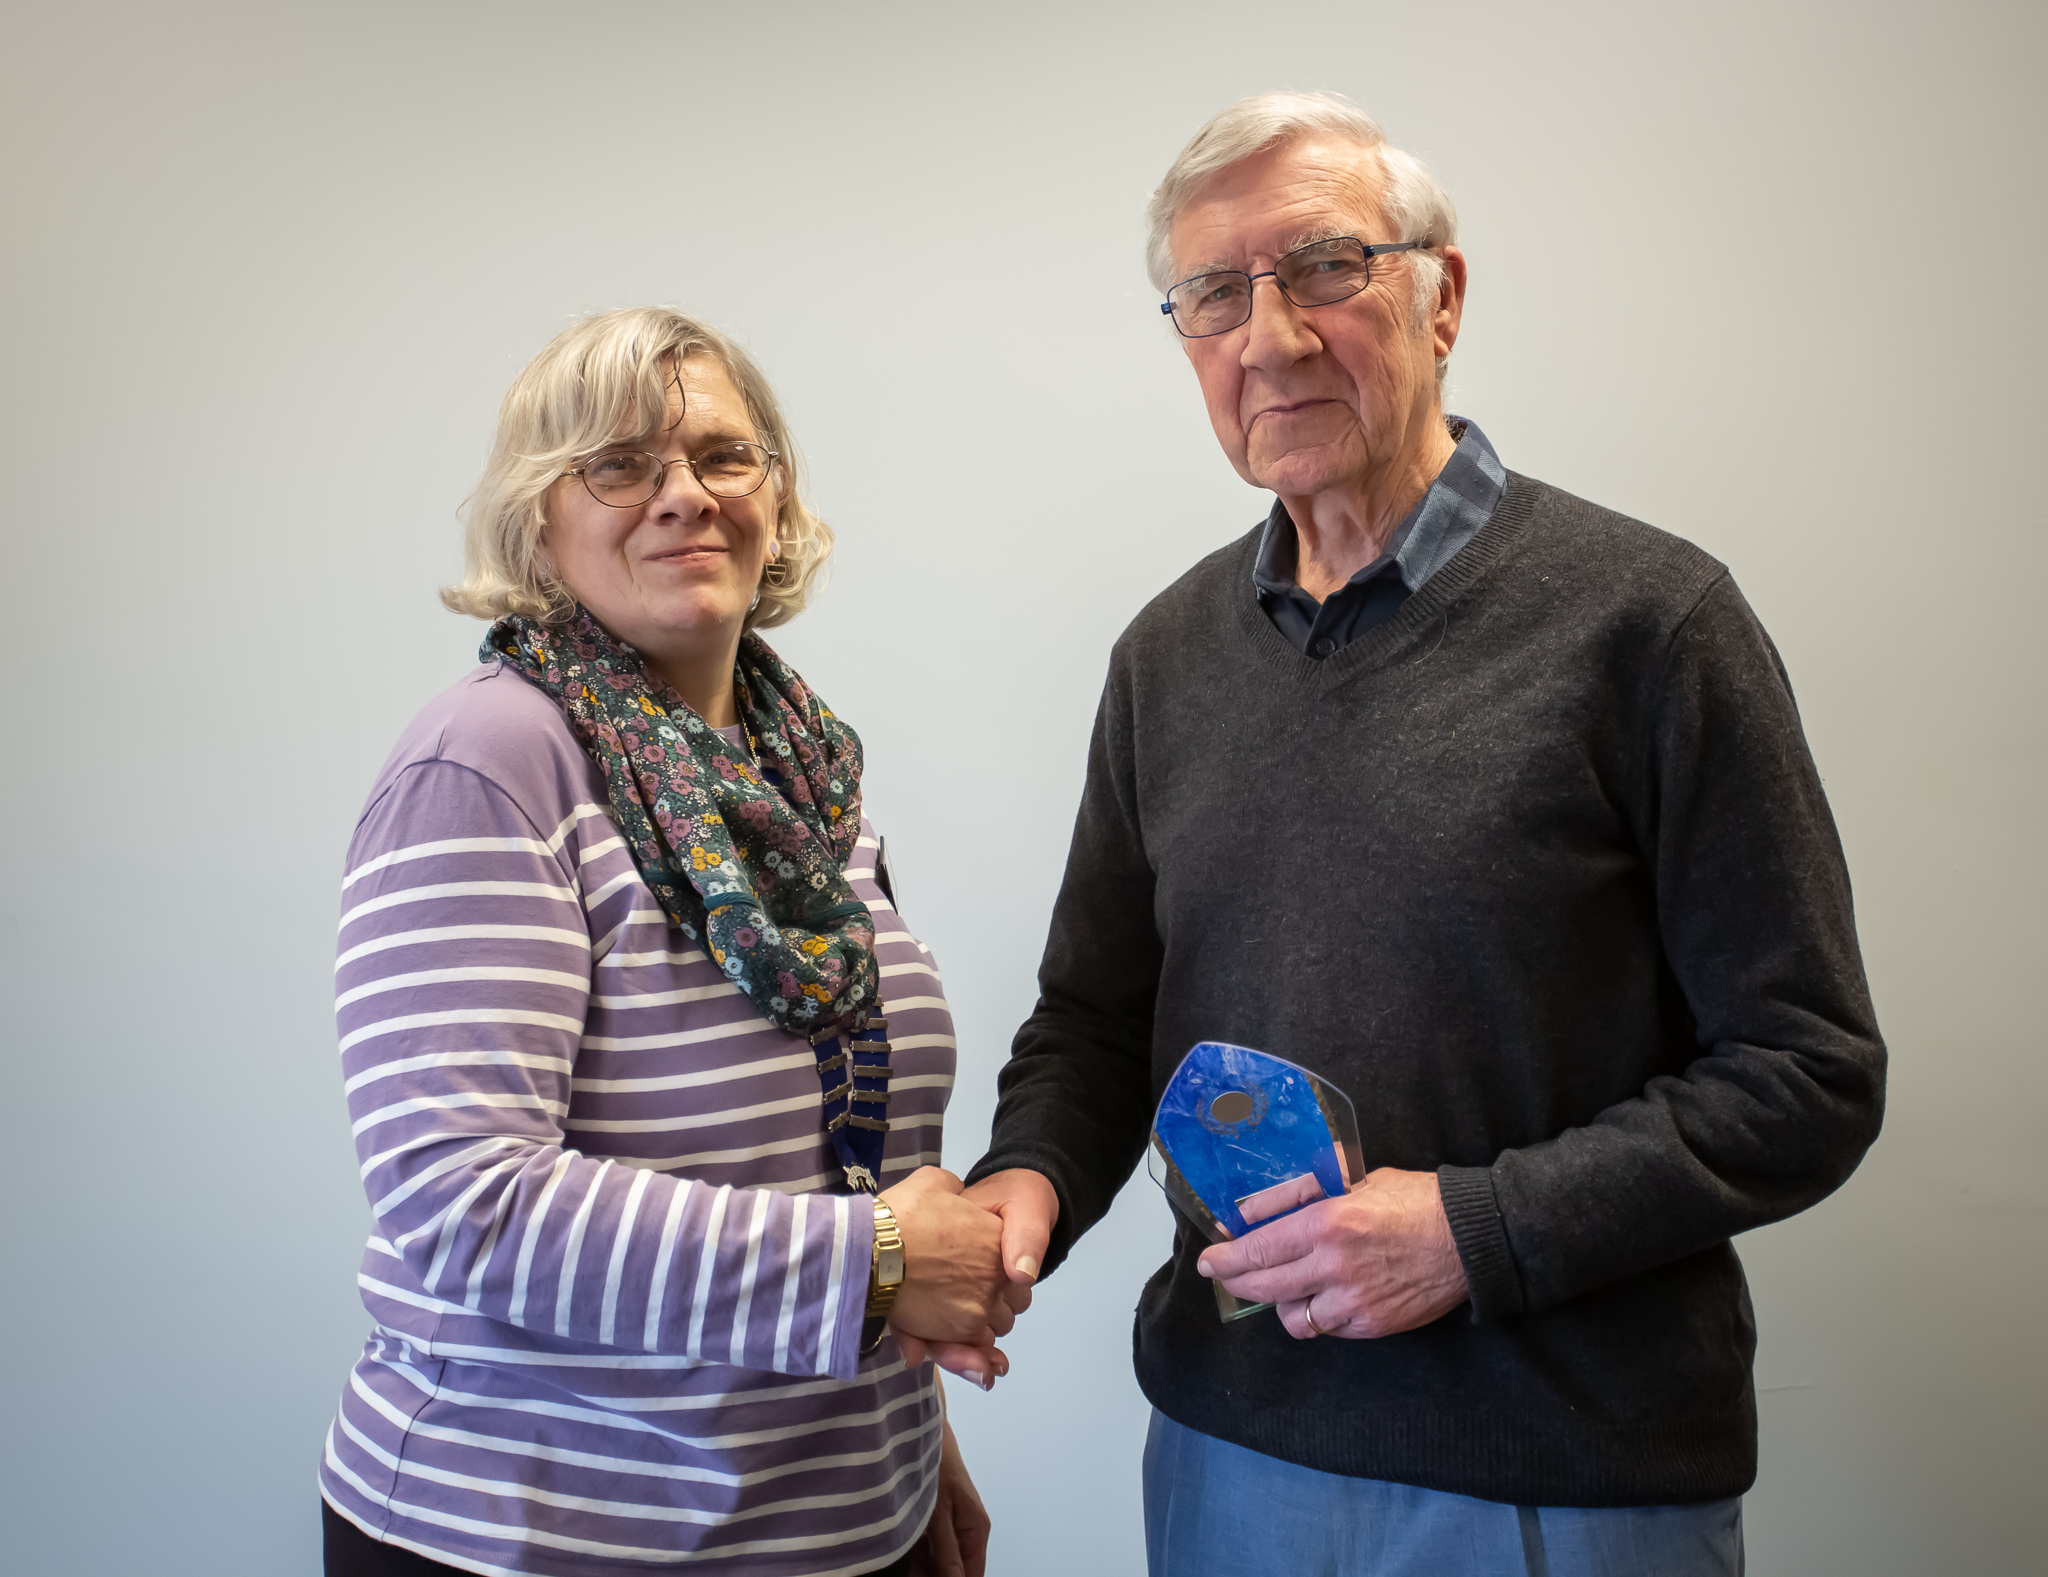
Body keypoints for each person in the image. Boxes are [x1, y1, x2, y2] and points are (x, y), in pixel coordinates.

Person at [965, 92, 1886, 1576]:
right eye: (1215, 293)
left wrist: (1477, 1229)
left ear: (1441, 295)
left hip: (1561, 1481)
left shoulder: (1653, 624)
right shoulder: (1164, 656)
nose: (1269, 336)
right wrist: (1024, 1191)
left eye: (1327, 267)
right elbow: (1093, 1020)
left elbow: (1809, 1071)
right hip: (1225, 1455)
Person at [319, 307, 1018, 1577]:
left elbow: (843, 1142)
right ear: (541, 517)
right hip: (551, 1535)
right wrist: (880, 1265)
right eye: (620, 464)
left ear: (776, 496)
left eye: (722, 456)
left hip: (844, 1513)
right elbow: (461, 1202)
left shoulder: (798, 768)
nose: (683, 496)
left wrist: (908, 1438)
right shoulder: (485, 762)